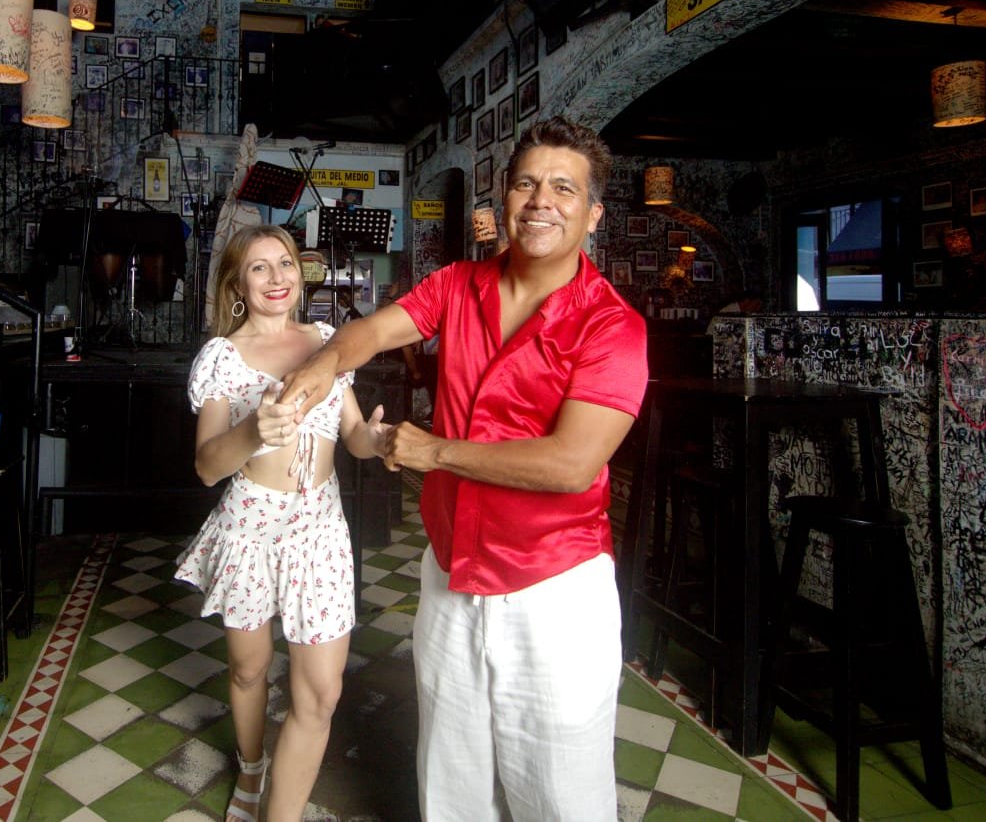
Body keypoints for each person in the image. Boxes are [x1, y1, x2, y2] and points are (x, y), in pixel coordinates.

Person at [278, 117, 649, 820]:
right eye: (526, 183)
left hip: (554, 590)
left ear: (592, 213)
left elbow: (571, 464)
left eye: (563, 188)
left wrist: (433, 451)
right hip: (451, 573)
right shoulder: (459, 284)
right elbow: (376, 328)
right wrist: (325, 363)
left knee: (562, 796)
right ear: (504, 199)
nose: (541, 200)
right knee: (450, 780)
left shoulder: (612, 325)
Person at [175, 223, 391, 822]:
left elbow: (351, 434)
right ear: (238, 284)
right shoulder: (222, 357)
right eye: (260, 267)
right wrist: (251, 432)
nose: (277, 277)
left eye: (286, 264)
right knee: (249, 670)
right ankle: (250, 766)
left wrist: (375, 440)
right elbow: (206, 468)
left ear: (302, 275)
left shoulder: (327, 341)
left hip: (319, 532)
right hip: (248, 531)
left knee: (320, 693)